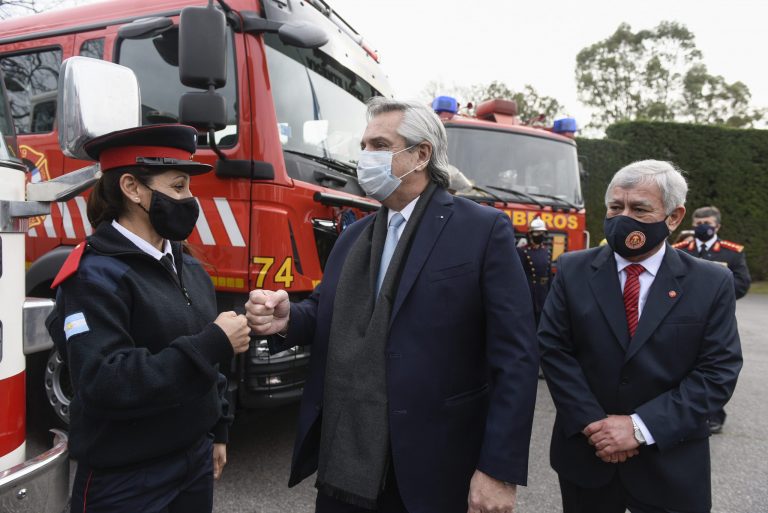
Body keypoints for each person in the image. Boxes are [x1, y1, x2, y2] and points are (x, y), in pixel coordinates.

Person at [246, 97, 539, 513]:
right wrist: (286, 318)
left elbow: (517, 357)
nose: (365, 157)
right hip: (345, 459)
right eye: (363, 146)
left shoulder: (481, 230)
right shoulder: (354, 236)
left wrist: (499, 470)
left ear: (421, 155)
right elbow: (324, 310)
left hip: (433, 464)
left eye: (379, 145)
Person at [46, 124, 251, 513]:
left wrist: (218, 429)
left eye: (188, 188)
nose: (190, 200)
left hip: (193, 460)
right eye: (177, 187)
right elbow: (105, 382)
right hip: (126, 478)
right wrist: (212, 342)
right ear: (132, 188)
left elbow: (208, 365)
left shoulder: (188, 266)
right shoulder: (94, 276)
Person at [539, 160, 742, 513]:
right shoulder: (572, 270)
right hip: (589, 460)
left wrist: (639, 427)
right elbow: (554, 350)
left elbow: (717, 371)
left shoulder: (711, 282)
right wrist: (594, 425)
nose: (623, 218)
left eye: (640, 209)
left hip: (671, 464)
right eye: (616, 207)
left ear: (674, 217)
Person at [672, 205, 751, 434]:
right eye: (698, 224)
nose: (703, 228)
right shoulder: (679, 249)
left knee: (713, 366)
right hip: (682, 319)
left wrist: (715, 295)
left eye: (707, 223)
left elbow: (742, 284)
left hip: (715, 319)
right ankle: (682, 412)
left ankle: (715, 416)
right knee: (682, 365)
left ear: (718, 226)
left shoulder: (731, 252)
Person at [516, 216, 552, 326]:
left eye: (542, 232)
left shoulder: (546, 251)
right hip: (530, 294)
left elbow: (549, 275)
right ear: (530, 234)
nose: (540, 235)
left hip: (543, 294)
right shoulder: (523, 251)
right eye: (537, 232)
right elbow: (519, 276)